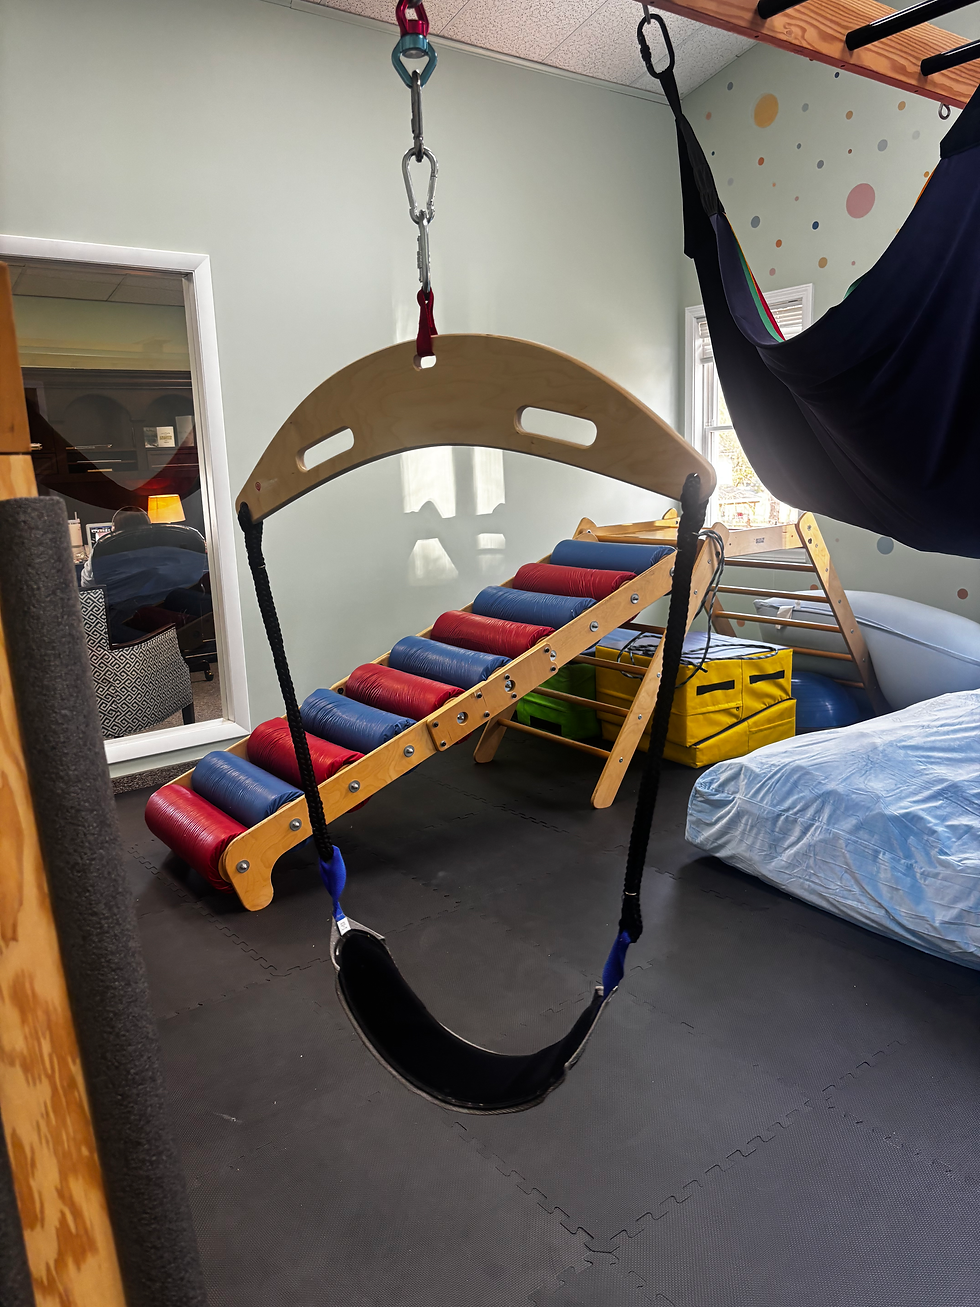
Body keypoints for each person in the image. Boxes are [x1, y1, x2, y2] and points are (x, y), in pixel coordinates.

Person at [81, 506, 209, 641]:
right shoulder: (185, 537)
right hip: (179, 605)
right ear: (148, 523)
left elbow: (88, 585)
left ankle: (159, 649)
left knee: (100, 628)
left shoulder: (105, 546)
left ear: (114, 527)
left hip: (130, 612)